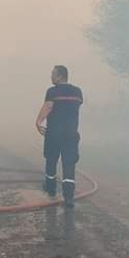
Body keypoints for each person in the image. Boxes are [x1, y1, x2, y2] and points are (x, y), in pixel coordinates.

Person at [35, 65, 83, 207]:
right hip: (71, 134)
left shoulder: (52, 91)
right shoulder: (78, 92)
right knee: (69, 164)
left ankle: (51, 191)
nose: (51, 77)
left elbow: (48, 106)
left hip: (54, 134)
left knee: (51, 160)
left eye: (53, 74)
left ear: (60, 76)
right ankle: (68, 198)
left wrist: (38, 122)